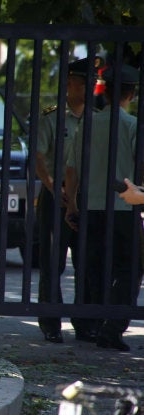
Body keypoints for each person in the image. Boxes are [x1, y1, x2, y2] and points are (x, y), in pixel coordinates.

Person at [65, 63, 142, 351]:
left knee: (91, 266)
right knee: (128, 269)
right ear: (131, 94)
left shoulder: (87, 123)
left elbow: (72, 168)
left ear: (105, 92)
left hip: (90, 205)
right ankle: (113, 326)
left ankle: (89, 324)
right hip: (124, 208)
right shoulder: (132, 126)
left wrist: (70, 203)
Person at [35, 58, 97, 343]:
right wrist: (50, 186)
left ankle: (85, 323)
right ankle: (50, 323)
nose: (87, 88)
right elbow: (38, 156)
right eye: (82, 82)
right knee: (52, 262)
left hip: (87, 197)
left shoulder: (97, 119)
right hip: (55, 195)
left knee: (87, 262)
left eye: (90, 82)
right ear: (69, 84)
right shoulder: (51, 116)